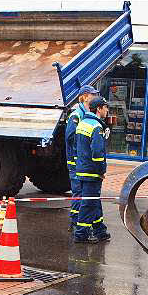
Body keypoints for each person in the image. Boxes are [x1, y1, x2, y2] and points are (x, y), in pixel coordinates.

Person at [73, 96, 111, 243]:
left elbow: (76, 147)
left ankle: (100, 230)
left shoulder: (82, 123)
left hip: (82, 170)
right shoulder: (96, 127)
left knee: (94, 201)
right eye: (105, 107)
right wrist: (101, 171)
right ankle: (81, 234)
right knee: (89, 203)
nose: (107, 111)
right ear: (99, 109)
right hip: (92, 172)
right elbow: (97, 154)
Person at [65, 84, 98, 232]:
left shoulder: (85, 113)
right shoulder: (76, 115)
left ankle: (80, 222)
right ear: (85, 97)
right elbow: (71, 137)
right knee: (78, 192)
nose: (95, 97)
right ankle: (75, 223)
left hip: (81, 162)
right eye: (93, 94)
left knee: (83, 193)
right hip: (76, 161)